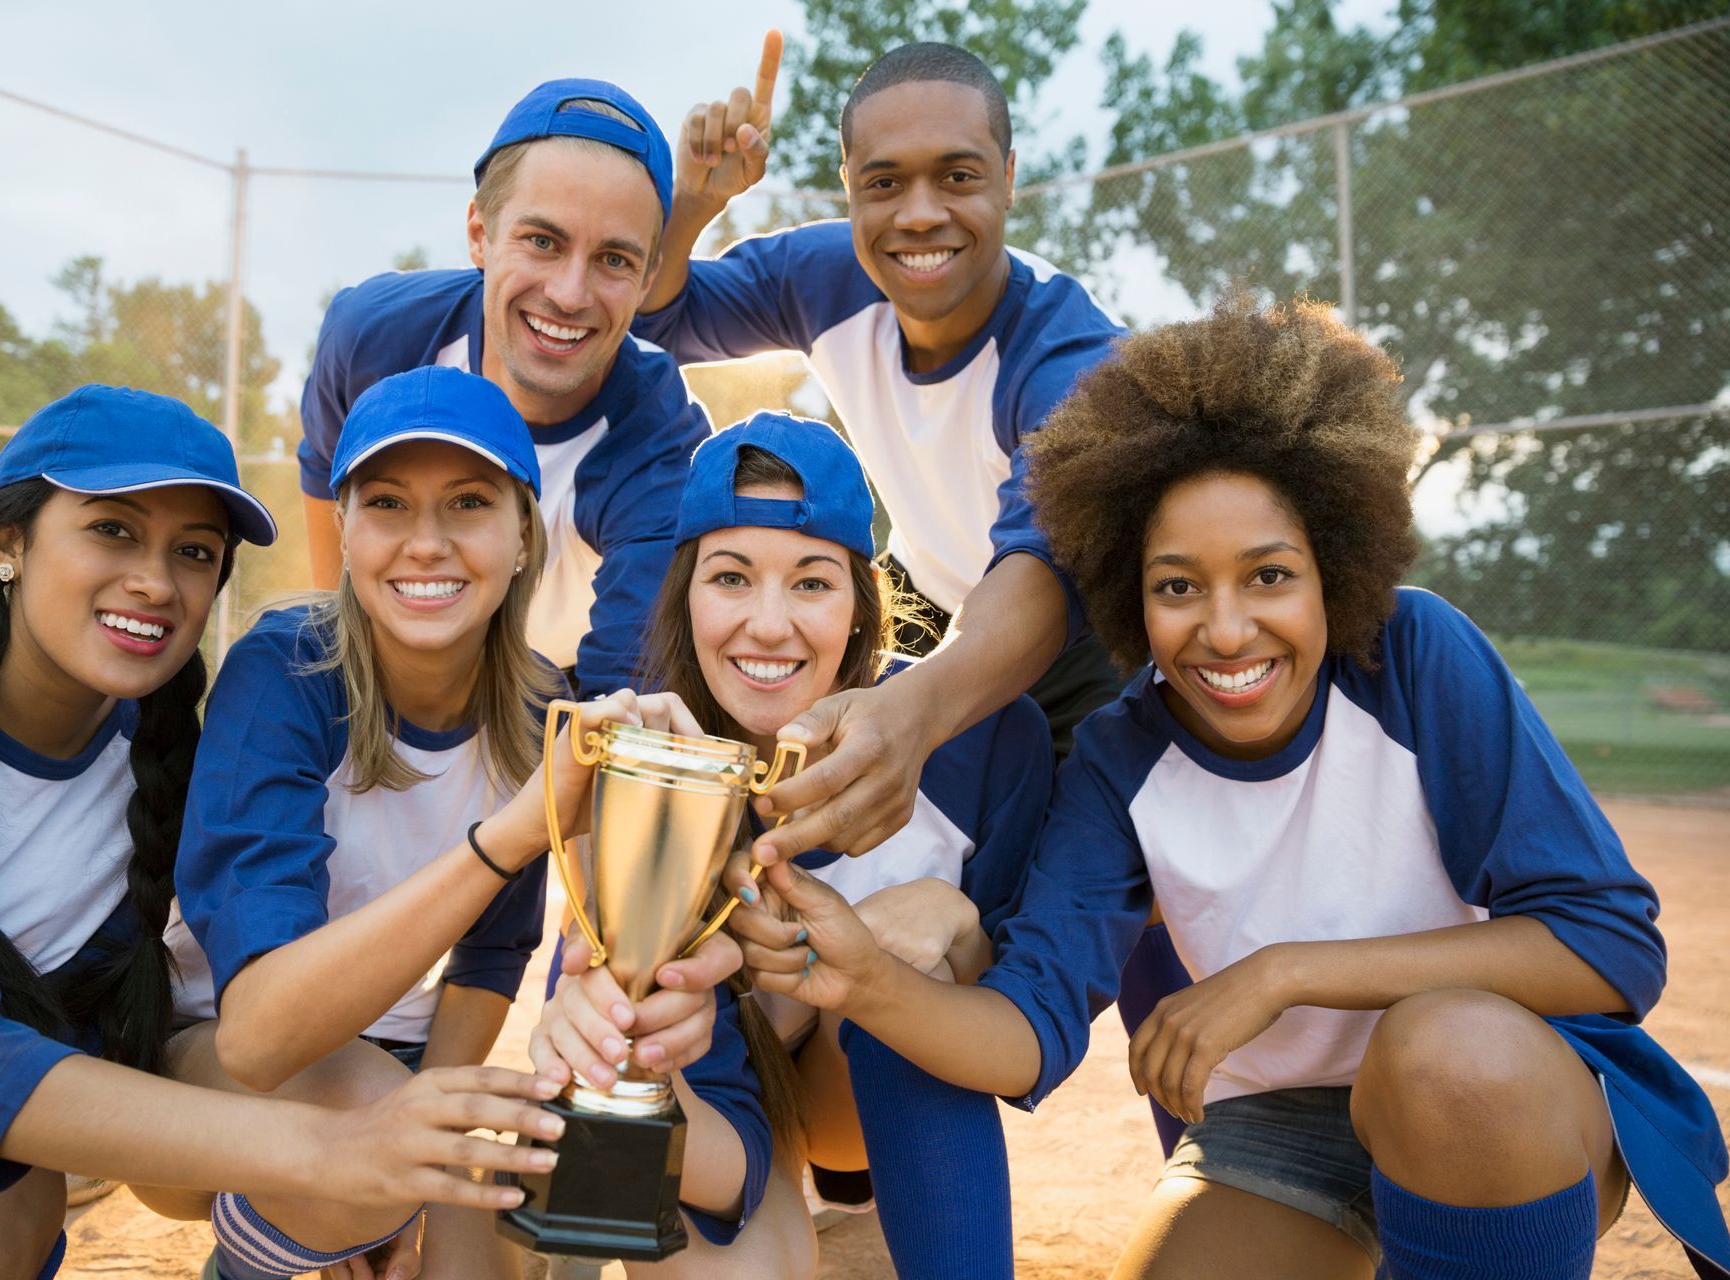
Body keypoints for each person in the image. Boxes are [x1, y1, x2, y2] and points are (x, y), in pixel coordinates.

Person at [729, 296, 1730, 1279]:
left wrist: (1283, 971)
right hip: (1280, 1126)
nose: (1227, 627)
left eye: (1269, 575)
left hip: (1506, 1092)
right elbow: (1027, 1034)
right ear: (1132, 594)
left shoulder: (1416, 658)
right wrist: (863, 977)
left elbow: (1610, 945)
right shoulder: (1123, 759)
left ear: (1332, 568)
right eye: (1178, 585)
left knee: (1444, 1050)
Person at [0, 386, 562, 1278]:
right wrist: (339, 1155)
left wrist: (375, 1177)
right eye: (113, 530)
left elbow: (71, 1028)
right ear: (8, 541)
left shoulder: (159, 757)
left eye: (195, 552)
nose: (156, 583)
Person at [149, 366, 756, 1280]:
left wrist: (418, 1146)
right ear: (345, 532)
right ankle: (257, 1263)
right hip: (207, 1062)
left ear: (522, 538)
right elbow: (260, 1036)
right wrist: (513, 830)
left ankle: (359, 1201)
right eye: (387, 503)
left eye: (468, 503)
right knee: (362, 1118)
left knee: (482, 1220)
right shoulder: (286, 671)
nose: (425, 543)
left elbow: (489, 957)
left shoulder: (541, 706)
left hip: (395, 1055)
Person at [542, 413, 1053, 1279]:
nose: (768, 625)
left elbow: (1013, 1012)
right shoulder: (648, 759)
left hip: (863, 1093)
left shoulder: (982, 740)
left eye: (812, 583)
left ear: (861, 602)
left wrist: (953, 919)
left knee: (913, 965)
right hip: (723, 1108)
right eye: (731, 577)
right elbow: (605, 1082)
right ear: (684, 595)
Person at [636, 37, 1128, 875]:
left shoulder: (1068, 361)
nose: (920, 213)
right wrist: (689, 205)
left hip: (1069, 633)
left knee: (1047, 888)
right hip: (925, 596)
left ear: (1009, 177)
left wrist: (913, 712)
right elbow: (658, 315)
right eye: (886, 182)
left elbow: (1042, 569)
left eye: (959, 175)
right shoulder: (826, 276)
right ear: (851, 190)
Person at [298, 77, 710, 698]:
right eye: (542, 241)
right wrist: (347, 679)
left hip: (557, 686)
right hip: (396, 655)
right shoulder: (376, 339)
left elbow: (623, 696)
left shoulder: (660, 437)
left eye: (614, 260)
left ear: (651, 274)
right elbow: (327, 494)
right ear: (479, 234)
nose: (570, 294)